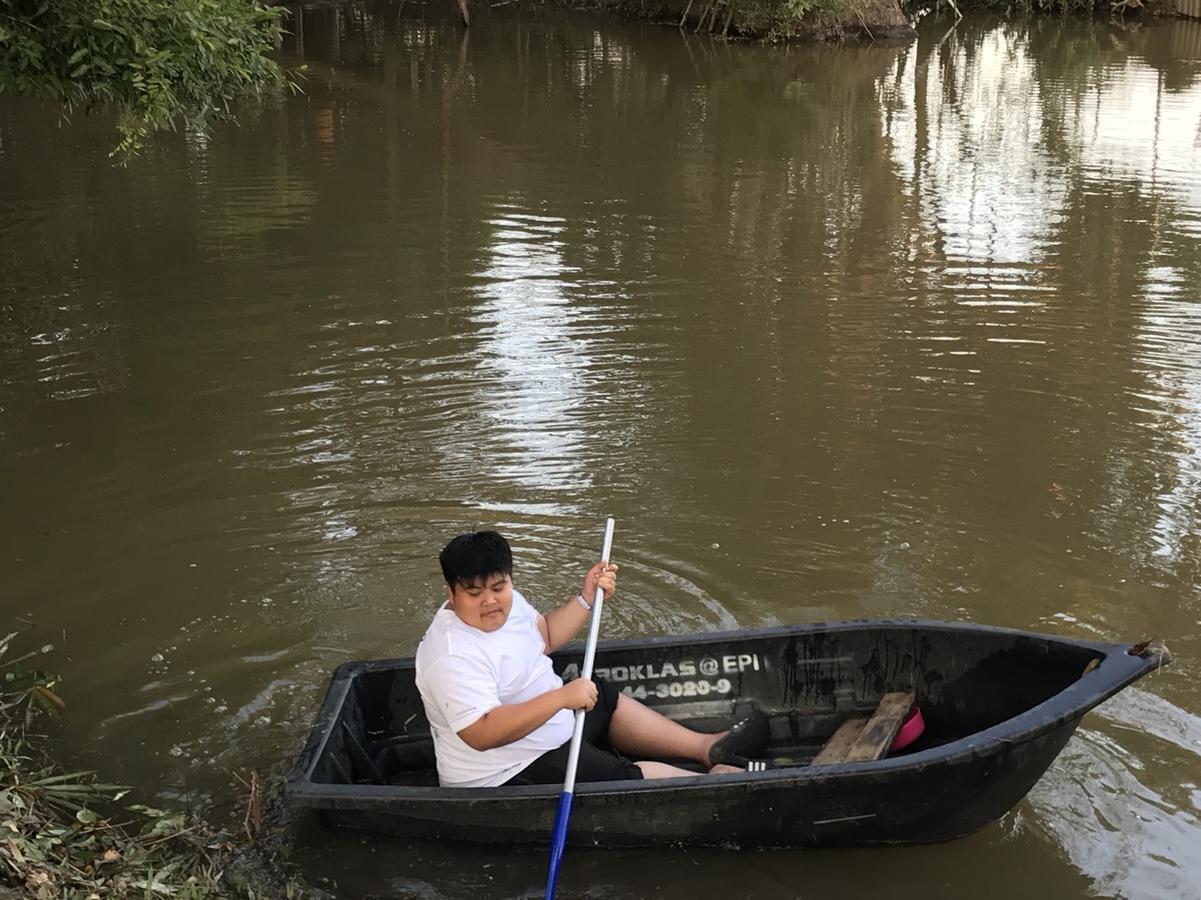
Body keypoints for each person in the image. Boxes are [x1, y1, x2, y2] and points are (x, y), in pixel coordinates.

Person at [415, 530, 768, 788]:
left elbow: (545, 636)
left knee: (600, 693)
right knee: (617, 777)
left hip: (552, 724)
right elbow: (481, 733)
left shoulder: (510, 602)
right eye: (474, 593)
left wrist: (586, 598)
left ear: (508, 579)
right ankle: (712, 783)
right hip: (506, 769)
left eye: (498, 588)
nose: (490, 601)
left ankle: (706, 748)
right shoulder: (450, 653)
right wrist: (559, 699)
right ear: (451, 591)